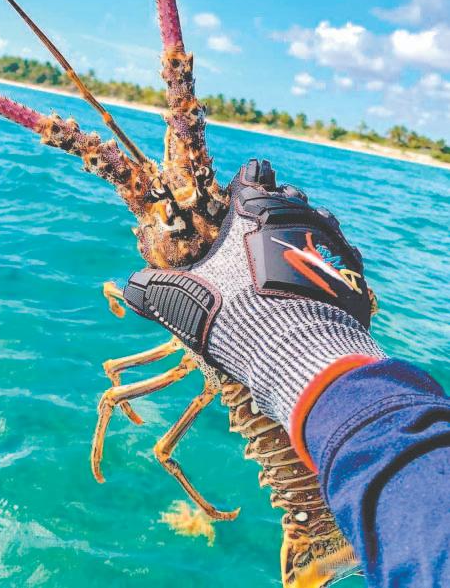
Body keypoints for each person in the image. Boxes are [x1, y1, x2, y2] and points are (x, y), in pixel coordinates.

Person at [122, 160, 450, 588]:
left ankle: (323, 533)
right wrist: (312, 334)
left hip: (349, 482)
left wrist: (287, 341)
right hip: (363, 476)